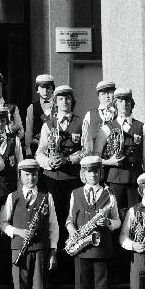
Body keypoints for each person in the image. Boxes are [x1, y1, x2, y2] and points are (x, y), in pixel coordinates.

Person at [0, 159, 59, 289]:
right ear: (20, 176)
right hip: (19, 250)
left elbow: (53, 226)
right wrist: (17, 231)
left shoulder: (46, 197)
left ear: (38, 175)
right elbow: (2, 224)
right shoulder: (12, 197)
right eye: (27, 174)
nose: (31, 178)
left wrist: (53, 250)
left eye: (34, 174)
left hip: (40, 249)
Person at [66, 155, 121, 289]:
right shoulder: (76, 193)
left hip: (102, 249)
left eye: (96, 171)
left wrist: (108, 223)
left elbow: (117, 221)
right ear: (83, 174)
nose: (93, 175)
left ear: (100, 173)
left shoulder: (110, 194)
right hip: (82, 247)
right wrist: (72, 230)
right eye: (89, 172)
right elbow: (70, 219)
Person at [35, 85, 85, 256]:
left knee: (72, 219)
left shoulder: (81, 122)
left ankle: (72, 260)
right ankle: (55, 263)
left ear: (72, 101)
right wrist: (49, 162)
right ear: (55, 102)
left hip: (73, 179)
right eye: (61, 99)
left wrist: (68, 159)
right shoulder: (48, 124)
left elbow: (87, 150)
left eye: (68, 98)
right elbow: (39, 152)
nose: (65, 102)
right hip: (52, 179)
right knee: (54, 219)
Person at [95, 86, 145, 216]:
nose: (124, 104)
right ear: (115, 104)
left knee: (135, 216)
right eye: (120, 101)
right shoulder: (107, 128)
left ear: (132, 104)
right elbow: (96, 156)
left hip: (135, 179)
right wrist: (109, 162)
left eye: (127, 101)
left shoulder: (141, 126)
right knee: (116, 215)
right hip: (114, 179)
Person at [81, 80, 117, 153]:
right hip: (94, 158)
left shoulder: (120, 114)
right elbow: (85, 140)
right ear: (98, 97)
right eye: (103, 94)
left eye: (109, 93)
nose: (107, 96)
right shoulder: (89, 115)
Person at [24, 74, 55, 157]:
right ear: (37, 89)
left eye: (48, 88)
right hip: (38, 147)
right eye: (42, 88)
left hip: (57, 147)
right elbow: (29, 130)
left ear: (53, 89)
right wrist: (28, 149)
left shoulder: (59, 105)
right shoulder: (32, 108)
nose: (45, 91)